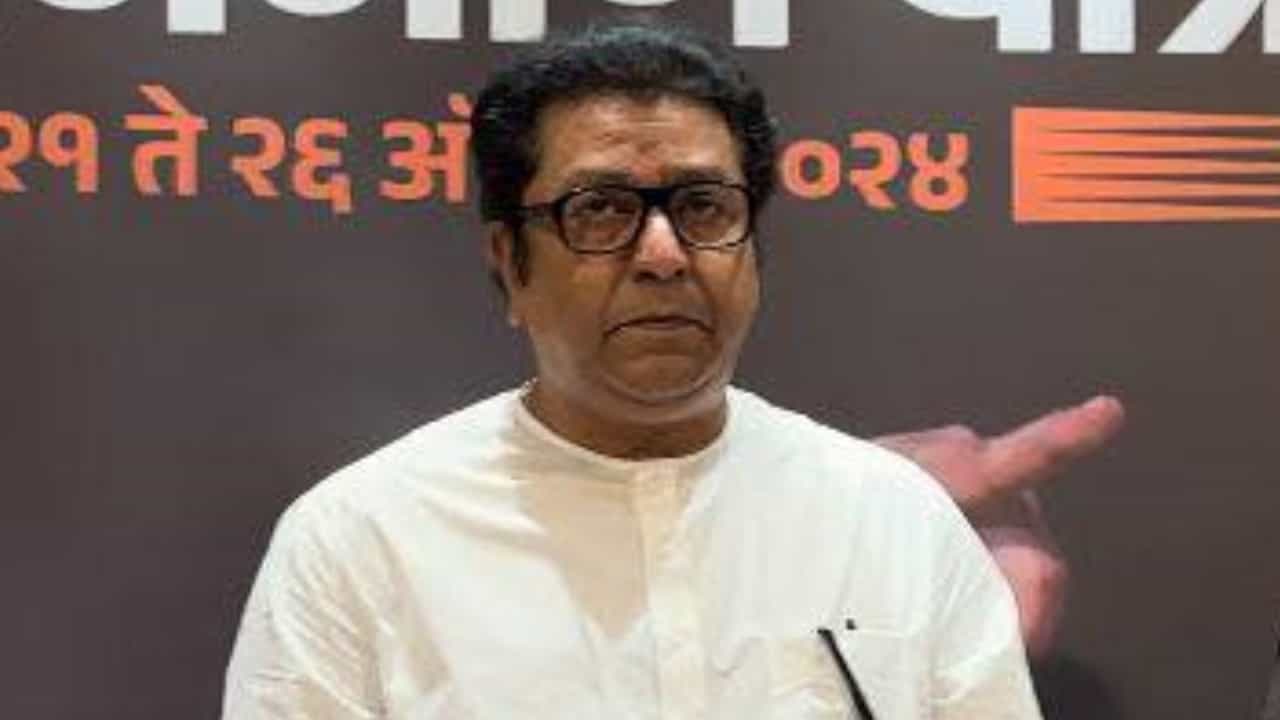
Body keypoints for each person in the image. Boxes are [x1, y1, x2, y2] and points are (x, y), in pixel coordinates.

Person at [223, 22, 1122, 719]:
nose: (663, 253)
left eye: (703, 206)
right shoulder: (361, 542)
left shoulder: (895, 523)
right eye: (602, 209)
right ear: (509, 264)